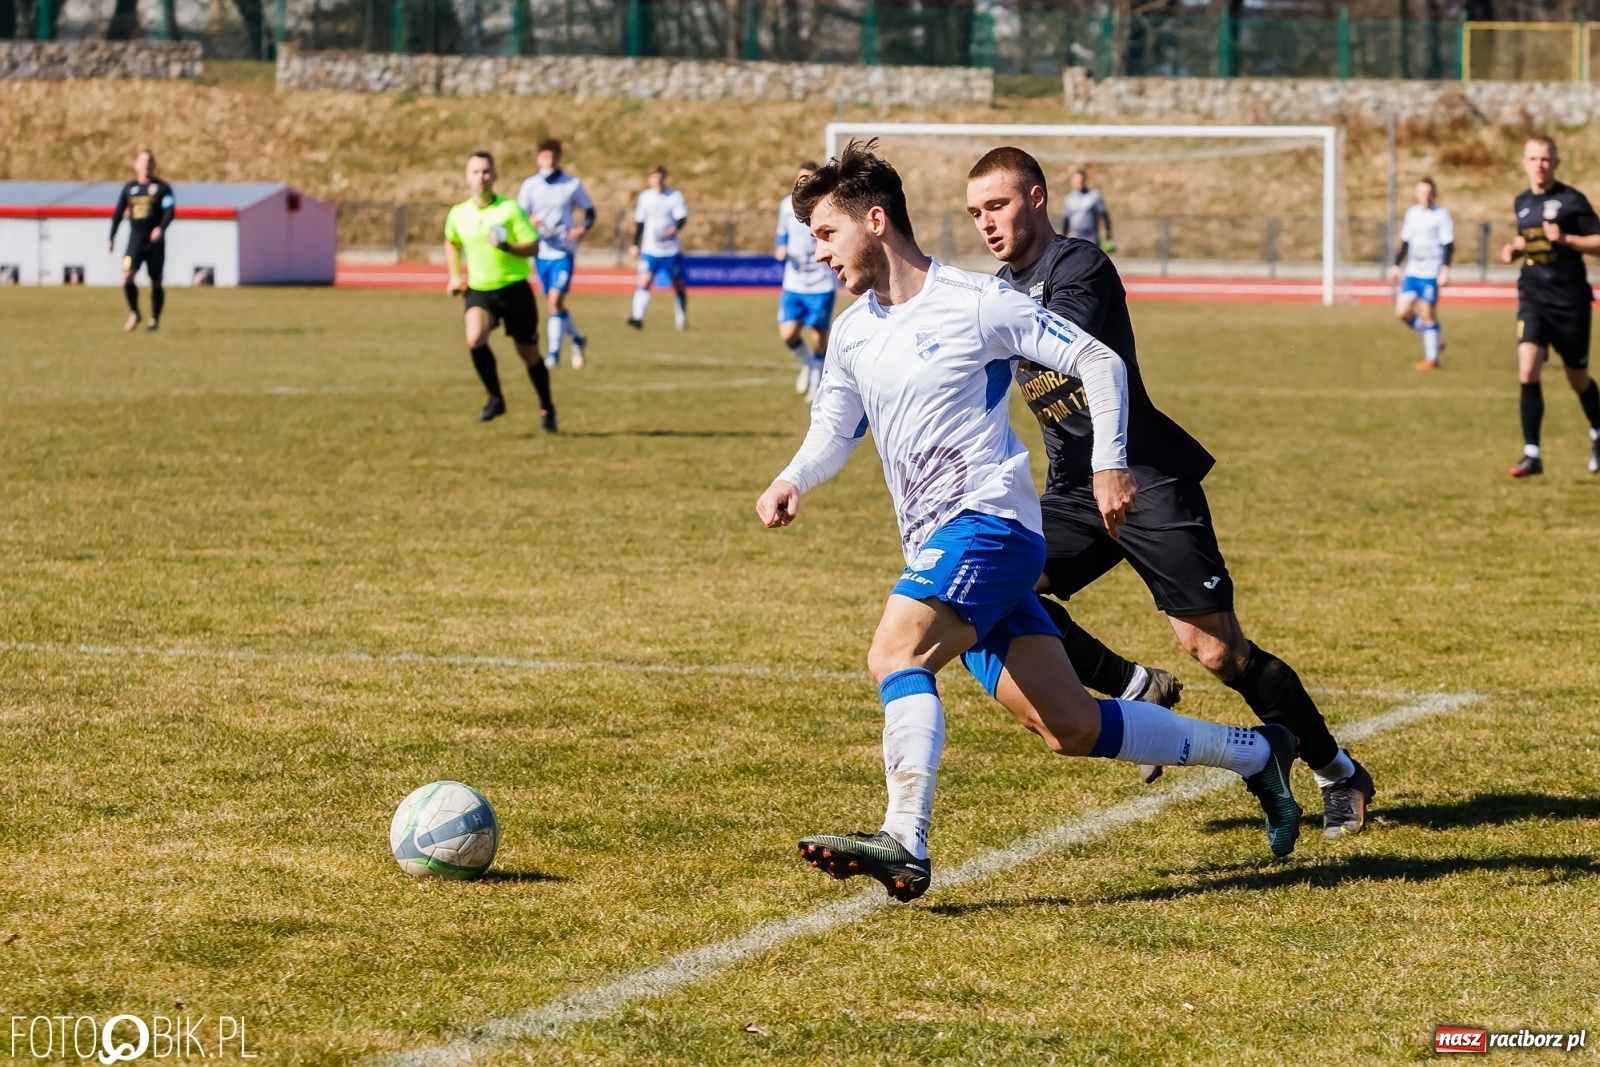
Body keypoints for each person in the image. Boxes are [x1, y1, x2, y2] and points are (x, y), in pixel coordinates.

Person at [756, 141, 1305, 903]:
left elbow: (1101, 365)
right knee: (1069, 727)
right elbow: (834, 427)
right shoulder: (853, 331)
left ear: (874, 221)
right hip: (940, 544)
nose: (816, 253)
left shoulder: (977, 301)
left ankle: (904, 840)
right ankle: (1256, 752)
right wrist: (792, 477)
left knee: (894, 654)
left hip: (990, 526)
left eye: (824, 233)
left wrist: (1110, 460)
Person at [965, 145, 1374, 839]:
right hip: (1071, 489)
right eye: (975, 212)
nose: (986, 223)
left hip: (1141, 474)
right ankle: (1132, 685)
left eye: (997, 205)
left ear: (1036, 198)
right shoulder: (997, 289)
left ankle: (1337, 770)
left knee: (1215, 651)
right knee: (1001, 587)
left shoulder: (1081, 266)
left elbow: (1066, 346)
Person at [1500, 135, 1600, 478]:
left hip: (1571, 302)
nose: (1539, 165)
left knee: (1578, 378)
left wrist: (1568, 240)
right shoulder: (1521, 203)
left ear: (1555, 163)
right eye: (1533, 159)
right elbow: (1526, 239)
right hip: (1533, 297)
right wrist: (1514, 250)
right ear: (1524, 163)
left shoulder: (1572, 201)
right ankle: (1532, 453)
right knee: (1528, 368)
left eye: (1545, 159)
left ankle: (1598, 432)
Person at [443, 151, 557, 433]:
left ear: (494, 176)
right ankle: (495, 397)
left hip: (514, 289)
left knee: (528, 354)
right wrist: (455, 276)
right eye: (475, 172)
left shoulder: (509, 209)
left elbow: (533, 246)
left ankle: (547, 407)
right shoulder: (459, 213)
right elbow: (451, 242)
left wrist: (507, 247)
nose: (481, 177)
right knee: (474, 338)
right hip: (480, 290)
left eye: (485, 172)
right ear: (466, 177)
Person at [517, 138, 595, 371]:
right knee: (556, 306)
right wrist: (529, 220)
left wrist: (583, 229)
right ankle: (578, 338)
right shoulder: (530, 186)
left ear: (560, 158)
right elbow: (519, 215)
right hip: (541, 253)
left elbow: (590, 211)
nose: (549, 161)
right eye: (545, 156)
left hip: (564, 251)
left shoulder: (571, 184)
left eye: (554, 156)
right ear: (538, 158)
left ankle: (553, 354)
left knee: (554, 302)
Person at [775, 161, 835, 399]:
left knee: (818, 336)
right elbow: (781, 233)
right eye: (800, 179)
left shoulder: (828, 207)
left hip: (820, 283)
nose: (803, 183)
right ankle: (808, 363)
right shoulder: (785, 206)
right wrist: (781, 248)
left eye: (808, 179)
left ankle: (815, 384)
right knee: (788, 334)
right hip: (794, 282)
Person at [1390, 178, 1454, 372]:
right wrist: (1396, 264)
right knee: (1402, 312)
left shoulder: (1441, 215)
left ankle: (1432, 358)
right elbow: (1406, 242)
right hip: (1413, 271)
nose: (1425, 196)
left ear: (1434, 194)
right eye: (1421, 192)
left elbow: (1448, 244)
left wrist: (1445, 269)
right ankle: (1433, 340)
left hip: (1430, 272)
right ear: (1417, 194)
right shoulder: (1412, 213)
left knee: (1428, 315)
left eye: (1428, 192)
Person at [108, 148, 174, 332]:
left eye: (149, 162)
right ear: (135, 165)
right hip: (134, 243)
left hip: (155, 245)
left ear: (154, 165)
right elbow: (118, 213)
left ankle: (154, 320)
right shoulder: (130, 189)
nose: (146, 165)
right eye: (142, 162)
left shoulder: (162, 189)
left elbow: (170, 212)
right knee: (127, 273)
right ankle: (135, 312)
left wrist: (160, 228)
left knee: (156, 281)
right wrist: (111, 237)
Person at [627, 165, 689, 331]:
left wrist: (675, 227)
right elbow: (639, 223)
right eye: (654, 177)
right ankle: (638, 316)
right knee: (645, 280)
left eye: (660, 177)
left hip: (671, 250)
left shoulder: (674, 196)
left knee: (677, 284)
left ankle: (681, 317)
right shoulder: (645, 197)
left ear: (665, 178)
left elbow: (682, 217)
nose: (658, 180)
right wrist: (634, 244)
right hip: (650, 249)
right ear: (650, 179)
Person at [1063, 168, 1112, 253]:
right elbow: (1066, 219)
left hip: (1091, 235)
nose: (1078, 183)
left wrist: (1108, 233)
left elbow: (1104, 215)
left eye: (1080, 181)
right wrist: (1064, 237)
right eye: (1076, 181)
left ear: (1085, 180)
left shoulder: (1094, 196)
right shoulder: (1069, 199)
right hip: (1075, 235)